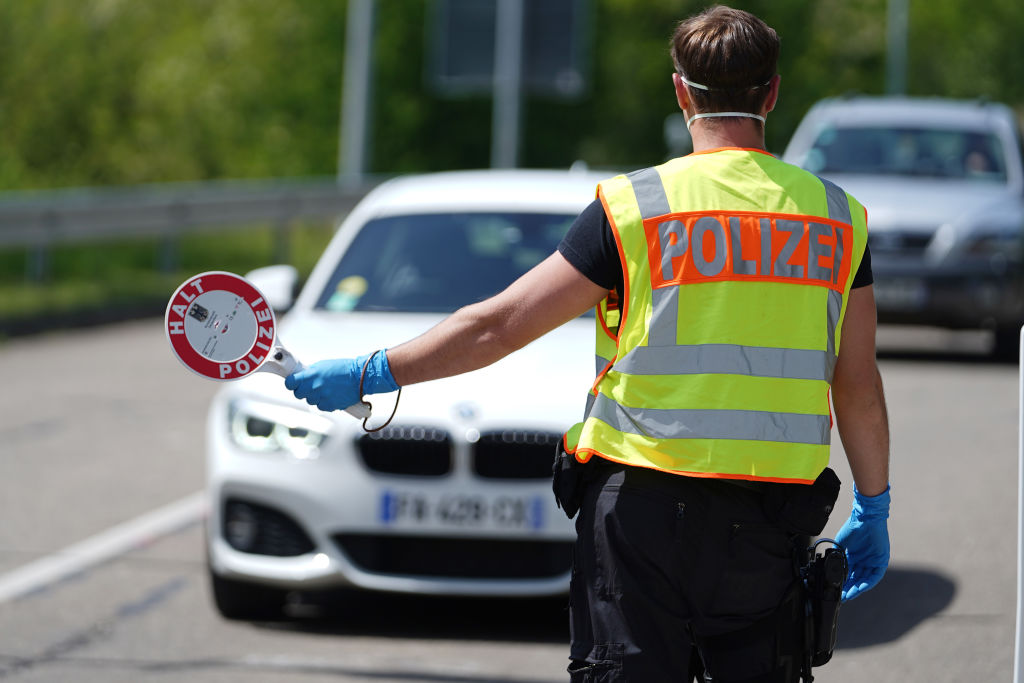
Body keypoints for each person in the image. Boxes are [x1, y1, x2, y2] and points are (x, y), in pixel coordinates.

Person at [286, 5, 890, 681]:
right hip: (768, 522)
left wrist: (375, 370)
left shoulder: (636, 207)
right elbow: (857, 384)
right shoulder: (837, 218)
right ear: (772, 94)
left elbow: (498, 325)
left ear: (681, 92)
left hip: (641, 515)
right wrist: (874, 502)